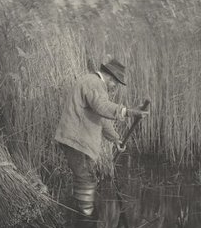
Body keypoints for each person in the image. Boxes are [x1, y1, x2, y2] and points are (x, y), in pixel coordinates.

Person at [55, 58, 148, 216]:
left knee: (85, 177)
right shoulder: (93, 82)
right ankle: (86, 219)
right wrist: (129, 111)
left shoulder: (95, 85)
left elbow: (102, 116)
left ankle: (82, 214)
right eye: (116, 83)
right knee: (86, 179)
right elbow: (102, 107)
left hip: (78, 142)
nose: (115, 88)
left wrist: (115, 138)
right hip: (76, 141)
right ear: (111, 78)